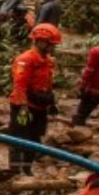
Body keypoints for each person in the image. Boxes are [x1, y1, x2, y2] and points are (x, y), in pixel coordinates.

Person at [8, 23, 62, 175]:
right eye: (52, 45)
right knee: (18, 137)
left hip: (40, 107)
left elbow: (48, 83)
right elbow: (20, 85)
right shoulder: (25, 60)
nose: (53, 48)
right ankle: (14, 171)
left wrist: (51, 102)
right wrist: (23, 107)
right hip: (24, 106)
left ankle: (27, 168)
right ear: (41, 42)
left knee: (34, 138)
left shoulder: (48, 61)